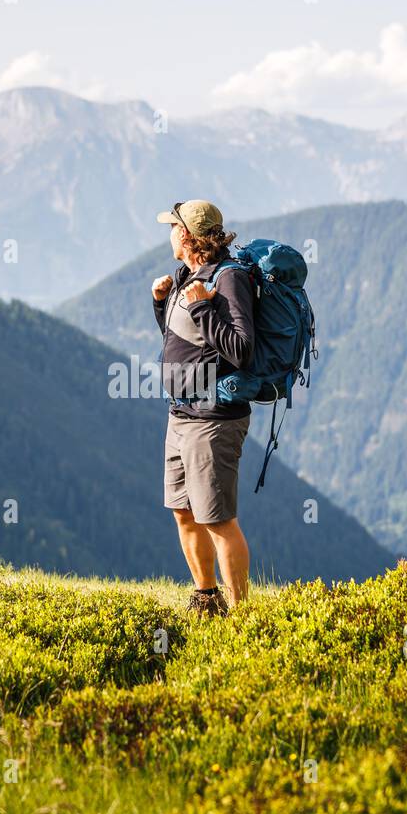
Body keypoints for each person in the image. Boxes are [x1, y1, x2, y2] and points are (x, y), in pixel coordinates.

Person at [152, 200, 255, 616]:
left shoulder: (228, 280)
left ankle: (242, 614)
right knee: (183, 511)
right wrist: (163, 303)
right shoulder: (186, 277)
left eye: (172, 227)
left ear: (188, 236)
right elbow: (185, 342)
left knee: (216, 518)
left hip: (212, 419)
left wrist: (199, 304)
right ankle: (206, 597)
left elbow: (240, 349)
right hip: (180, 414)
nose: (169, 233)